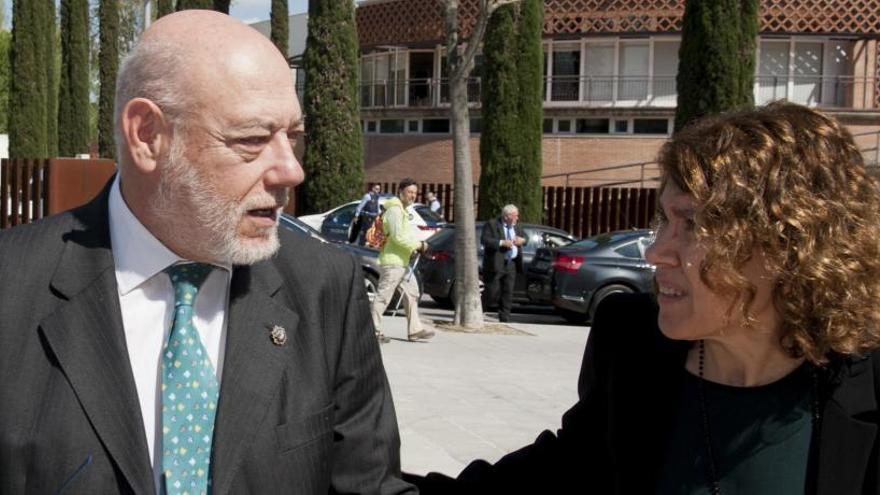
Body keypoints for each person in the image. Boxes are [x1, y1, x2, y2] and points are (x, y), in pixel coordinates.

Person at [0, 11, 414, 495]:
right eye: (252, 140)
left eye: (293, 137)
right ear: (147, 135)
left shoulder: (324, 286)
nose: (291, 170)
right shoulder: (11, 286)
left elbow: (369, 484)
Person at [411, 102, 880, 494]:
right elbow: (555, 474)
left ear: (790, 244)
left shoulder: (866, 383)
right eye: (664, 221)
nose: (656, 252)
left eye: (693, 225)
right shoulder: (634, 349)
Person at [371, 178, 433, 343]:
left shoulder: (402, 210)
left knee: (412, 293)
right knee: (383, 297)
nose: (412, 196)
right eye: (409, 192)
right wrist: (419, 245)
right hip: (392, 262)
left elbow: (402, 236)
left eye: (415, 193)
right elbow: (398, 237)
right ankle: (371, 331)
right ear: (401, 192)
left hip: (402, 263)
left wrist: (414, 247)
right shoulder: (395, 211)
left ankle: (415, 330)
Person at [481, 205, 526, 323]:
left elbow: (525, 237)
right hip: (496, 263)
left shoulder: (518, 226)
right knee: (492, 290)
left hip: (511, 264)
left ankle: (504, 318)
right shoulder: (492, 224)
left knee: (508, 292)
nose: (517, 218)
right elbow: (485, 240)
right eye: (515, 215)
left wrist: (523, 240)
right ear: (507, 216)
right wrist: (501, 243)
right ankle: (479, 310)